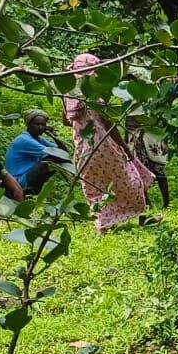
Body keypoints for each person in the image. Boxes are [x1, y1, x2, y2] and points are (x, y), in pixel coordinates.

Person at [63, 53, 158, 232]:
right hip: (105, 147)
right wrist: (125, 148)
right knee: (131, 180)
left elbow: (66, 121)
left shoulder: (68, 93)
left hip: (83, 149)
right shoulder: (96, 94)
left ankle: (102, 224)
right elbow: (108, 124)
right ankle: (141, 216)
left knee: (94, 187)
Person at [3, 109, 68, 194]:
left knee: (54, 159)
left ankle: (33, 189)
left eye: (43, 125)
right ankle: (30, 189)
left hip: (24, 176)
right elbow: (61, 155)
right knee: (49, 160)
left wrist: (53, 135)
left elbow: (64, 153)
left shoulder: (38, 139)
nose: (40, 127)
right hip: (16, 181)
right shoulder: (25, 140)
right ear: (29, 125)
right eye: (37, 124)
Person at [126, 114, 171, 209]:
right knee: (138, 171)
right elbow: (128, 124)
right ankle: (147, 202)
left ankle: (166, 202)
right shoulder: (130, 104)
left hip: (151, 137)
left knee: (158, 169)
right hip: (137, 138)